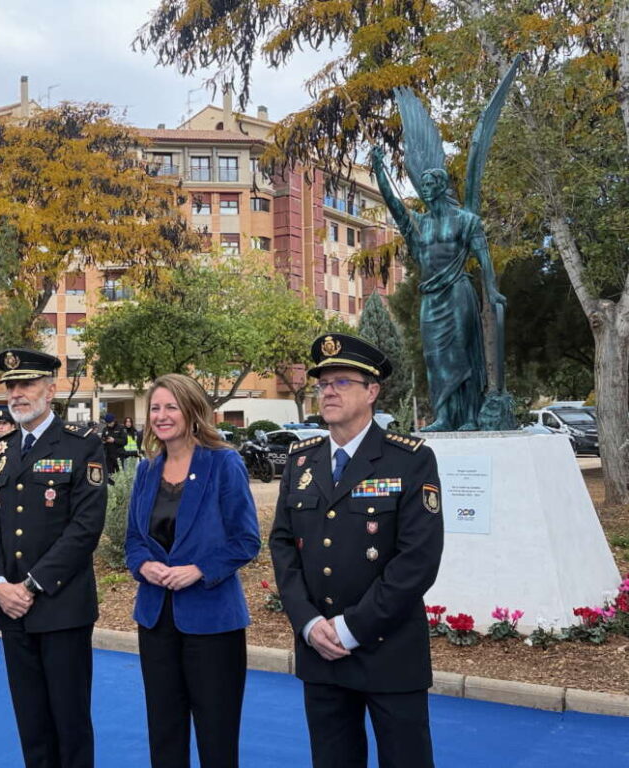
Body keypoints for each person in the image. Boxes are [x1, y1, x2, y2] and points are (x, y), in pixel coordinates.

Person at [269, 333, 444, 768]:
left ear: (372, 391)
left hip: (387, 650)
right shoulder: (301, 460)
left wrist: (350, 629)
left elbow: (417, 560)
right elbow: (283, 545)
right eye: (323, 383)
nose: (328, 391)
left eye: (342, 382)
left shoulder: (409, 460)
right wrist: (309, 623)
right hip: (320, 651)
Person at [0, 348, 107, 768]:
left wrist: (30, 586)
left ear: (50, 390)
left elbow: (85, 528)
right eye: (11, 386)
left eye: (26, 384)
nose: (16, 394)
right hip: (12, 610)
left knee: (69, 724)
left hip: (61, 606)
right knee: (30, 723)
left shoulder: (81, 445)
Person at [125, 373, 260, 768]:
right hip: (155, 620)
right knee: (164, 734)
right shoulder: (147, 470)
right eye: (155, 408)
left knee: (216, 738)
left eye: (171, 407)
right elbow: (134, 539)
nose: (162, 416)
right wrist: (143, 565)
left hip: (212, 621)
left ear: (191, 411)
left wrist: (198, 570)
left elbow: (246, 540)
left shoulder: (223, 463)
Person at [371, 147, 505, 431]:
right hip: (431, 296)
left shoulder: (466, 220)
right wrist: (378, 167)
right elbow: (392, 202)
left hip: (458, 290)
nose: (427, 190)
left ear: (442, 187)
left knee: (460, 352)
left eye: (431, 185)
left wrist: (491, 290)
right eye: (424, 186)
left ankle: (468, 417)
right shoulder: (418, 225)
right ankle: (443, 417)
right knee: (434, 357)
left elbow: (484, 258)